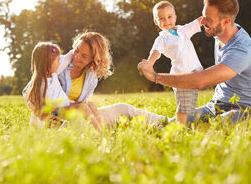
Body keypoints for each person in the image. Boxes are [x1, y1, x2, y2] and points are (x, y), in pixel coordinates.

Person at [138, 0, 251, 123]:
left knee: (216, 126)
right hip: (215, 106)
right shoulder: (220, 33)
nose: (203, 22)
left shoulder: (242, 49)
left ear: (226, 21)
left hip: (244, 110)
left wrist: (155, 77)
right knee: (176, 124)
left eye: (208, 19)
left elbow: (200, 81)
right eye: (204, 17)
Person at [24, 32, 165, 128]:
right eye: (76, 50)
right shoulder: (58, 62)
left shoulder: (91, 77)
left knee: (123, 108)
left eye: (84, 56)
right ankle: (99, 134)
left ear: (94, 59)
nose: (77, 57)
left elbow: (85, 105)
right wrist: (44, 116)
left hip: (76, 119)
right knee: (85, 116)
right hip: (55, 122)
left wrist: (94, 118)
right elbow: (30, 91)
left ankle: (166, 122)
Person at [140, 1, 203, 124]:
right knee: (184, 106)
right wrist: (149, 64)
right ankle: (179, 128)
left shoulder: (182, 30)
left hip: (195, 72)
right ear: (156, 21)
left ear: (175, 17)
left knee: (190, 102)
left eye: (169, 17)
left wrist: (208, 18)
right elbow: (156, 52)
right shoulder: (162, 38)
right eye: (161, 18)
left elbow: (198, 22)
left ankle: (183, 124)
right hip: (181, 74)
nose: (167, 20)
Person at [23, 42, 102, 129]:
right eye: (57, 60)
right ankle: (100, 133)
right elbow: (45, 106)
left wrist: (79, 48)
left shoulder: (53, 75)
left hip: (64, 107)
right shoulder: (42, 83)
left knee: (90, 104)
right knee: (83, 108)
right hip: (55, 112)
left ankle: (101, 128)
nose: (60, 62)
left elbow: (67, 59)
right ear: (48, 63)